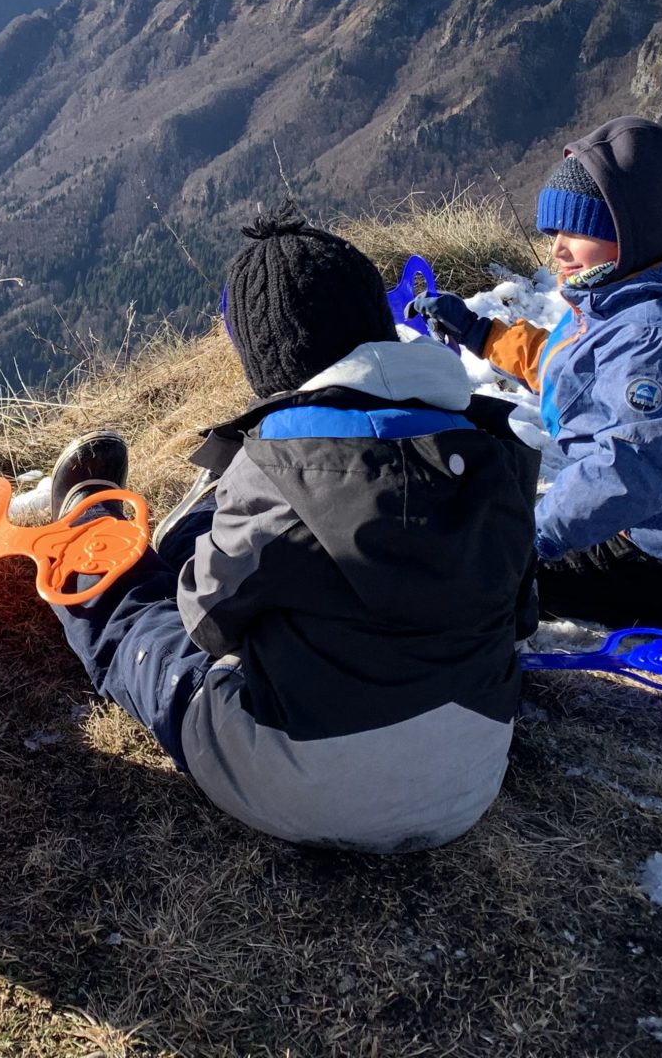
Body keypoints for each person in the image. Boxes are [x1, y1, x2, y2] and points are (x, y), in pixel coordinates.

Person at [43, 212, 538, 853]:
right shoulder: (497, 444)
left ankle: (89, 536)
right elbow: (519, 616)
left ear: (266, 361)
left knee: (149, 632)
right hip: (469, 781)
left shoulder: (278, 464)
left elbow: (206, 621)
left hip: (314, 790)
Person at [414, 116, 662, 629]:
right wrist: (477, 332)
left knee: (484, 576)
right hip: (649, 524)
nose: (557, 248)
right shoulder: (621, 302)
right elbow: (566, 370)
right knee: (489, 527)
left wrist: (531, 541)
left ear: (633, 231)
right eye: (553, 231)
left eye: (577, 230)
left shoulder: (657, 337)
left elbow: (626, 470)